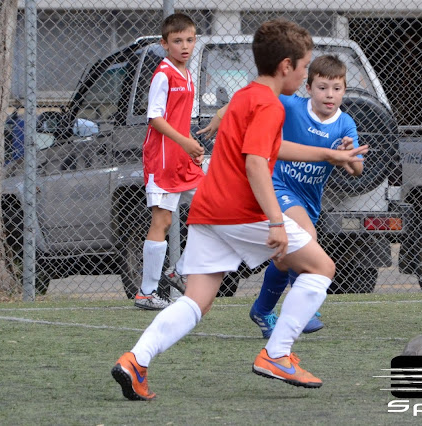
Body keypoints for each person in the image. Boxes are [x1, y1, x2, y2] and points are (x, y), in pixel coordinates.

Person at [111, 18, 368, 400]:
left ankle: (136, 360)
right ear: (286, 66)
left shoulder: (248, 95)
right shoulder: (269, 105)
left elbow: (271, 148)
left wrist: (328, 154)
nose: (305, 75)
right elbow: (255, 162)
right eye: (304, 67)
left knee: (196, 301)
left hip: (208, 210)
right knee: (321, 267)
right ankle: (277, 354)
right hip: (239, 212)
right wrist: (277, 221)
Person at [203, 55, 363, 337]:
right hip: (278, 186)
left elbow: (357, 169)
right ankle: (304, 307)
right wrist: (220, 115)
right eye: (322, 87)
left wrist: (348, 154)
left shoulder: (345, 124)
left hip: (309, 199)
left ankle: (262, 310)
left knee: (285, 257)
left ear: (344, 91)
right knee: (308, 237)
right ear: (308, 88)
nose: (329, 95)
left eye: (336, 88)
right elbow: (249, 99)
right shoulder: (291, 105)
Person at [134, 13, 205, 310]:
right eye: (177, 41)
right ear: (165, 44)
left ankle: (180, 270)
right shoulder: (164, 74)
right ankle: (147, 292)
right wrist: (184, 142)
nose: (184, 46)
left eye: (189, 40)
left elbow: (179, 119)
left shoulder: (187, 75)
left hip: (181, 159)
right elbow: (155, 118)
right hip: (162, 159)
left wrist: (190, 146)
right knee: (162, 221)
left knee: (212, 206)